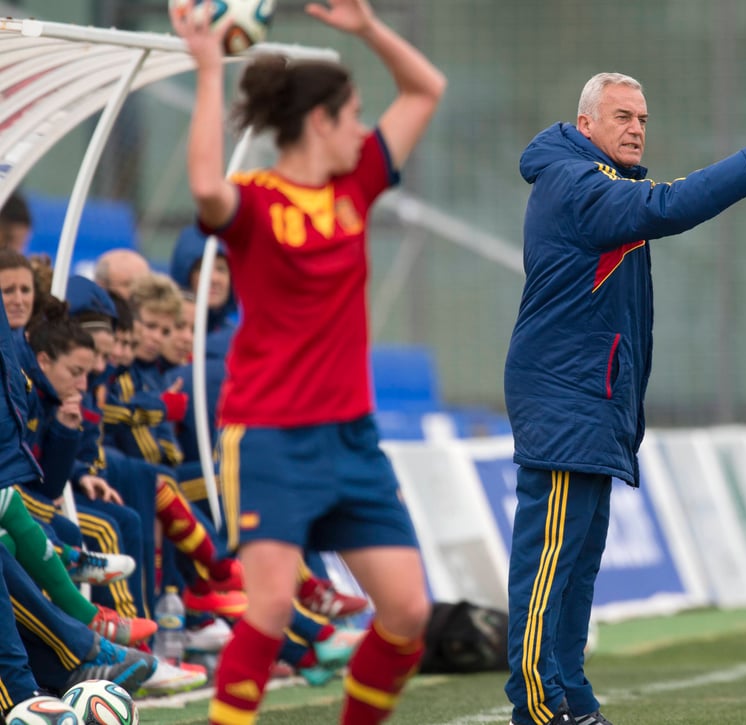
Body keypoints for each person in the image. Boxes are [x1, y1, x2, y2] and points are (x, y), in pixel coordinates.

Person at [503, 72, 746, 725]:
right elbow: (667, 207)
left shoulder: (599, 181)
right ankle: (536, 706)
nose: (636, 129)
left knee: (578, 564)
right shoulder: (575, 184)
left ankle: (572, 697)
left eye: (643, 118)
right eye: (622, 116)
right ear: (586, 124)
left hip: (590, 397)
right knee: (549, 565)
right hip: (565, 396)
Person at [170, 0, 447, 722]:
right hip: (270, 438)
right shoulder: (256, 202)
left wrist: (367, 29)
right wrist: (208, 71)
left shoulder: (356, 185)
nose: (363, 129)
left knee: (408, 611)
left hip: (351, 440)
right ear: (320, 121)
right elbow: (204, 188)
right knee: (267, 610)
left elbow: (426, 89)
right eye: (353, 115)